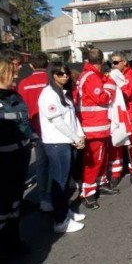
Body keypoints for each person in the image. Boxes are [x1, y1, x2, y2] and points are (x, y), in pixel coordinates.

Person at [38, 62, 86, 233]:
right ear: (53, 75)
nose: (65, 76)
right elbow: (57, 121)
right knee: (60, 181)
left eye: (66, 73)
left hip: (68, 142)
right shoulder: (48, 94)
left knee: (65, 182)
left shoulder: (63, 94)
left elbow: (72, 118)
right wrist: (75, 137)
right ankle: (60, 221)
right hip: (57, 143)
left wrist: (79, 135)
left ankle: (65, 212)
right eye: (60, 74)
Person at [76, 48, 118, 210]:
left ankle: (100, 183)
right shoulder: (92, 76)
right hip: (94, 127)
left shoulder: (86, 74)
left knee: (100, 158)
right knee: (94, 161)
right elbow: (102, 98)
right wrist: (110, 86)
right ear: (101, 61)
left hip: (95, 125)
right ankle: (88, 193)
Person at [0, 54, 32, 257]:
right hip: (2, 164)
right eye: (13, 71)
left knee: (14, 206)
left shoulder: (15, 97)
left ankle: (13, 243)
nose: (17, 74)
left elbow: (24, 124)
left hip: (19, 160)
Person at [17, 52, 51, 212]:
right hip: (55, 129)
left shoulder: (23, 84)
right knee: (58, 163)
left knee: (42, 164)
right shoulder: (52, 80)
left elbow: (21, 110)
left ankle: (45, 199)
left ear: (30, 66)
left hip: (36, 130)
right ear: (47, 64)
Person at [108, 52, 132, 185]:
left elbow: (129, 93)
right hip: (115, 115)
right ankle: (116, 173)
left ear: (124, 62)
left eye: (116, 62)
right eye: (112, 63)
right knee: (115, 144)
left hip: (130, 114)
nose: (113, 65)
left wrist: (118, 81)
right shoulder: (110, 75)